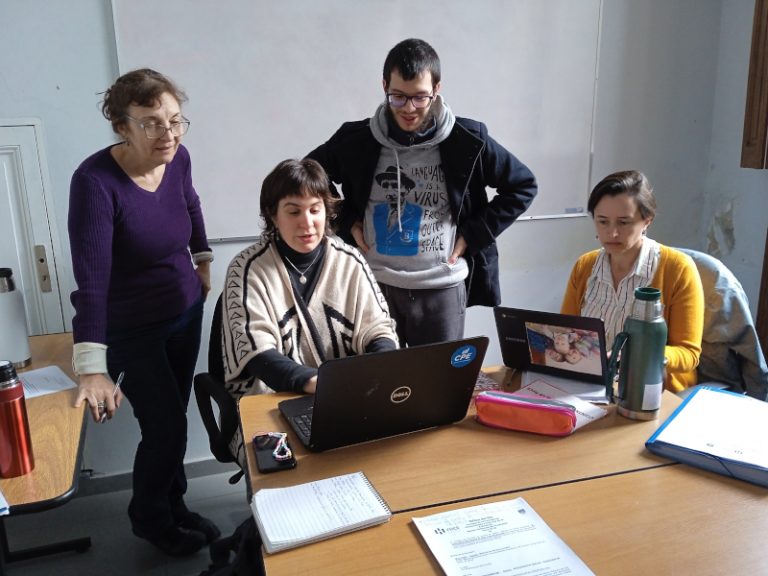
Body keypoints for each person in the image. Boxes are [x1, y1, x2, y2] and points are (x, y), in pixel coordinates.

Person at [68, 68, 219, 556]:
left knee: (175, 418)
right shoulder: (95, 183)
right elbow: (92, 280)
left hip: (184, 311)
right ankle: (151, 520)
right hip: (131, 329)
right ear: (122, 127)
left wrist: (202, 259)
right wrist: (91, 367)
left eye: (175, 120)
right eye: (152, 123)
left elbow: (190, 204)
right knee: (165, 428)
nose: (167, 133)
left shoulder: (177, 158)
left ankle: (175, 505)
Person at [307, 38, 537, 347]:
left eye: (420, 97)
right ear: (384, 86)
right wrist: (347, 221)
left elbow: (522, 186)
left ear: (436, 89)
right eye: (398, 97)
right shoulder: (356, 140)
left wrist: (472, 234)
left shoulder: (468, 139)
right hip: (374, 285)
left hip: (441, 290)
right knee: (375, 376)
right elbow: (308, 177)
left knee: (437, 377)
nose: (409, 108)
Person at [221, 158, 398, 468]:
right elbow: (257, 352)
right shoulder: (247, 269)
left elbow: (378, 328)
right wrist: (321, 385)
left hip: (346, 400)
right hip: (268, 400)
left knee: (386, 458)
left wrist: (377, 372)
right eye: (293, 212)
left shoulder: (350, 260)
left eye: (315, 210)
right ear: (272, 215)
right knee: (285, 472)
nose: (307, 223)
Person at [561, 170, 704, 392]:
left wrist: (637, 355)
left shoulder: (678, 269)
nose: (612, 233)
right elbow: (565, 330)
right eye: (603, 221)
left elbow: (689, 354)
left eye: (624, 222)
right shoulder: (585, 266)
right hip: (590, 385)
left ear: (647, 221)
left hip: (650, 390)